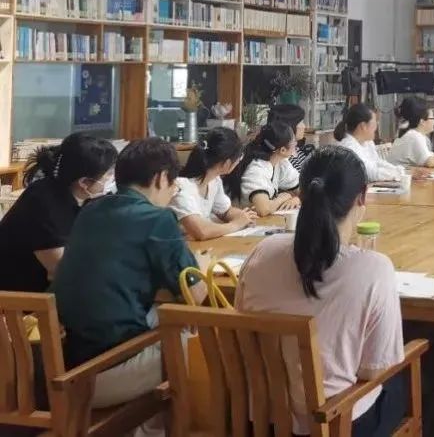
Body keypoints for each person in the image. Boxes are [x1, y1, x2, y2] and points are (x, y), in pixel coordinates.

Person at [237, 146, 405, 436]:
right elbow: (375, 369)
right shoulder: (375, 269)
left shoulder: (261, 252)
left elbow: (242, 320)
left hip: (265, 421)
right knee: (405, 383)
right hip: (337, 421)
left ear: (301, 194)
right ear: (362, 197)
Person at [52, 138, 205, 412]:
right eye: (173, 184)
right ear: (160, 178)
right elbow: (195, 294)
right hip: (102, 372)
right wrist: (198, 267)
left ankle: (144, 426)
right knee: (192, 335)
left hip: (66, 361)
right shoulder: (158, 219)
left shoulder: (89, 210)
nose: (173, 191)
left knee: (160, 314)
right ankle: (163, 427)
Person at [0, 133, 117, 292]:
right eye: (108, 175)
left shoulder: (84, 198)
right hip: (19, 298)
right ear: (83, 182)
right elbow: (61, 271)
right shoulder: (43, 202)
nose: (111, 179)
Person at [170, 127, 258, 240]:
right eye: (238, 159)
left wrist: (243, 217)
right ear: (227, 164)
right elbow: (201, 232)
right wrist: (236, 225)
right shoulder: (181, 187)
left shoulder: (214, 181)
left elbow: (226, 211)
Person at [225, 121, 301, 216]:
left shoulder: (281, 163)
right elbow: (263, 209)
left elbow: (306, 189)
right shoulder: (256, 168)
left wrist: (297, 199)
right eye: (294, 141)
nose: (296, 144)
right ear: (282, 150)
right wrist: (285, 197)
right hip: (239, 222)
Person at [334, 103, 409, 183]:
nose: (377, 125)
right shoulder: (348, 148)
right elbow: (370, 173)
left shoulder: (367, 142)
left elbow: (377, 162)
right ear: (363, 126)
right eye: (375, 122)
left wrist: (398, 170)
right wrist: (397, 174)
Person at [388, 97, 434, 168]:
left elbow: (432, 156)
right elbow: (430, 162)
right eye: (432, 118)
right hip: (398, 175)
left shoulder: (410, 131)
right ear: (422, 122)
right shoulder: (413, 136)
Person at [268, 103, 314, 173]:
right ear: (291, 125)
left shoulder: (297, 150)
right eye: (301, 122)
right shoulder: (283, 157)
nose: (304, 126)